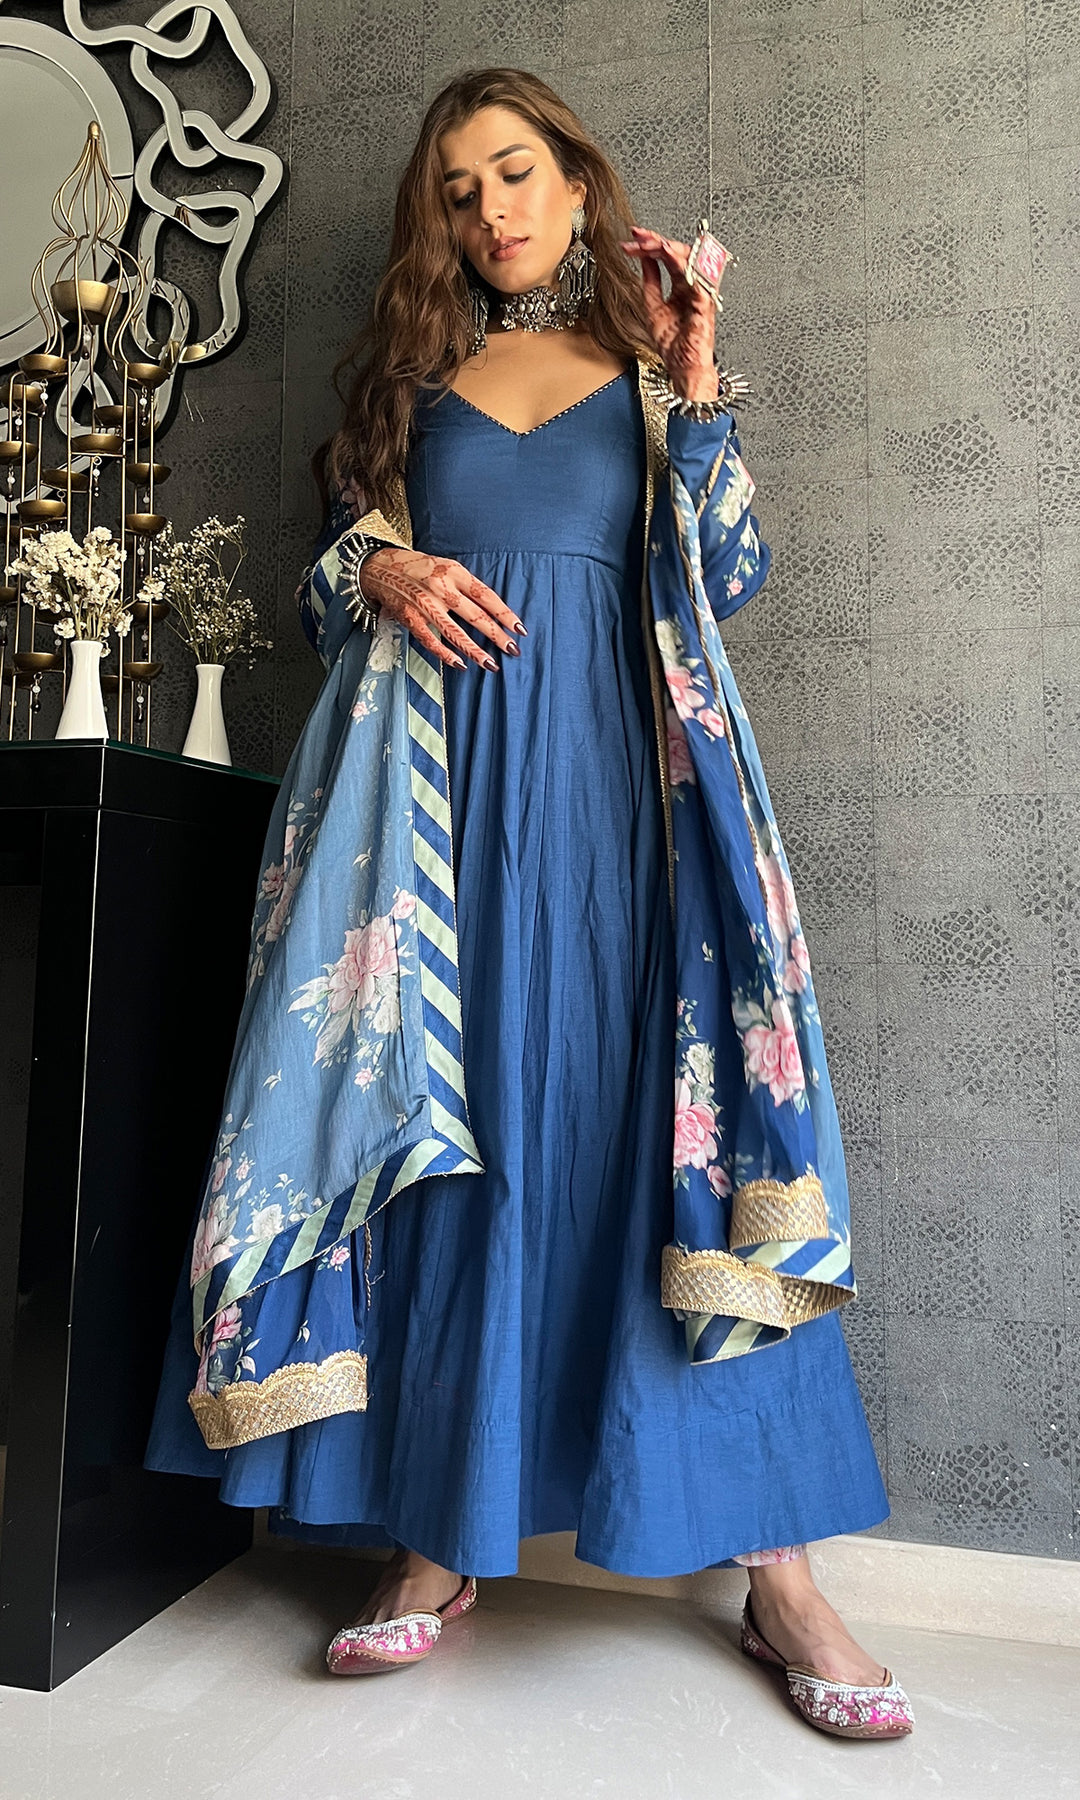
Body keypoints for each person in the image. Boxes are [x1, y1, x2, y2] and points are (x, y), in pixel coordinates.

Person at [145, 67, 913, 1741]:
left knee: (669, 1144)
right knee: (456, 1137)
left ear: (574, 183)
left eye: (513, 173)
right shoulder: (409, 391)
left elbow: (727, 574)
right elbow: (322, 593)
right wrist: (381, 566)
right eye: (458, 191)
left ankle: (781, 1576)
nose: (489, 210)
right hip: (435, 839)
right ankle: (439, 1539)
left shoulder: (644, 380)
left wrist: (699, 381)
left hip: (631, 827)